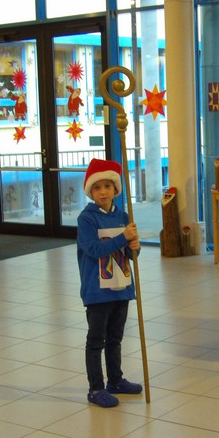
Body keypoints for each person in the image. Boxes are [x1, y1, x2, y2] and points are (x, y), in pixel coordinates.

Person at [77, 158, 143, 408]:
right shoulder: (87, 219)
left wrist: (134, 247)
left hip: (121, 287)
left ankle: (116, 379)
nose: (103, 192)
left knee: (115, 338)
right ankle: (96, 388)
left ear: (116, 189)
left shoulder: (124, 216)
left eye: (107, 186)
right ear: (91, 192)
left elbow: (130, 255)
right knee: (96, 340)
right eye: (97, 188)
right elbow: (93, 249)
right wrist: (123, 238)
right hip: (97, 290)